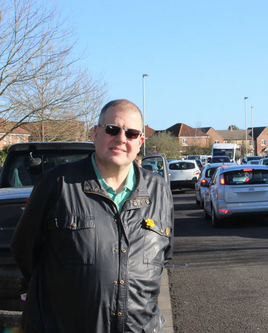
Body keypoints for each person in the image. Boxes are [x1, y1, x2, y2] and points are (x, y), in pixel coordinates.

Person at [10, 99, 174, 333]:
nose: (120, 139)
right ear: (95, 133)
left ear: (140, 141)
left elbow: (163, 257)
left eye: (131, 133)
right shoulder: (57, 184)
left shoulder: (159, 191)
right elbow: (25, 251)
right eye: (112, 129)